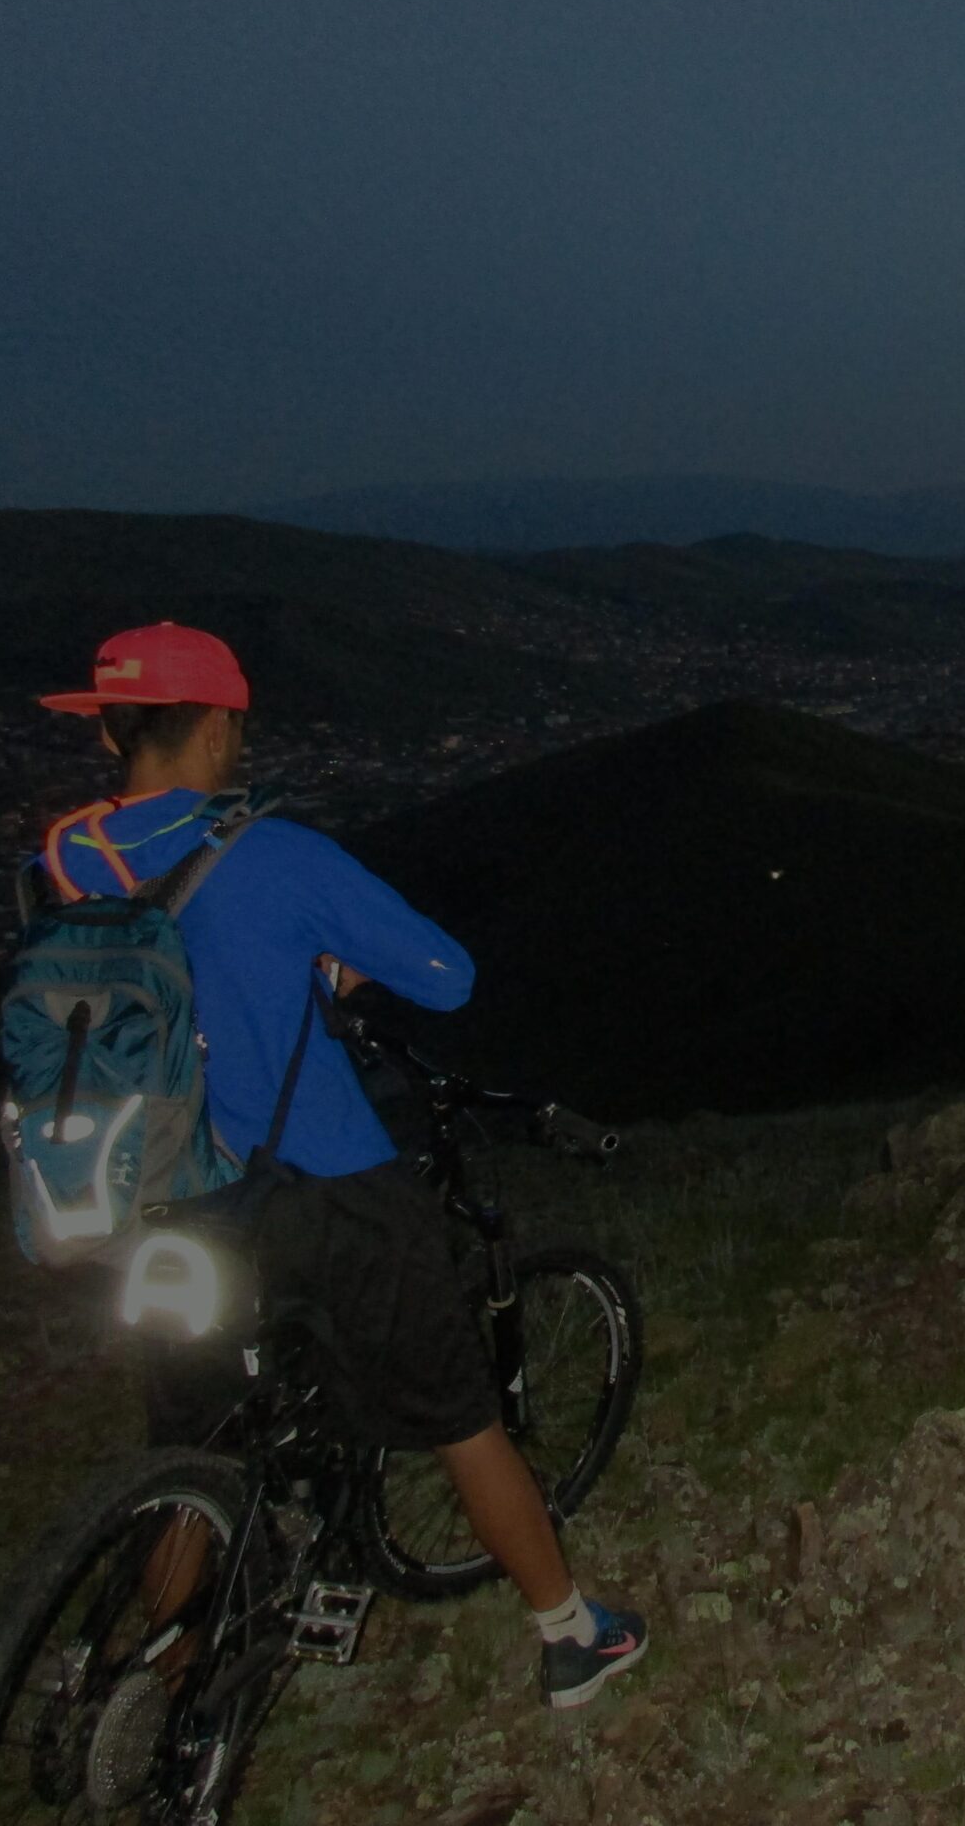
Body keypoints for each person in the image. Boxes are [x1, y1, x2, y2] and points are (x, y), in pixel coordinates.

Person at [34, 620, 645, 1709]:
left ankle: (165, 1678)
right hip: (327, 1183)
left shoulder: (70, 855)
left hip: (167, 1199)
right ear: (218, 729)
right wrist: (338, 970)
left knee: (192, 1442)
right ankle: (570, 1636)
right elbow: (446, 975)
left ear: (113, 734)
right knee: (463, 1417)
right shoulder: (273, 854)